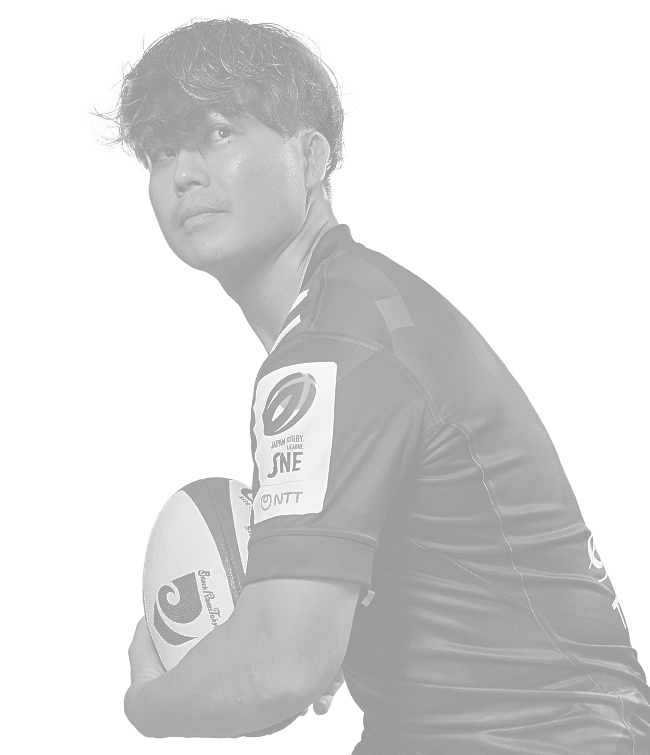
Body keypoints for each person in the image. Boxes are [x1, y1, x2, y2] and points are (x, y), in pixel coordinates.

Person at [91, 14, 650, 753]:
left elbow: (281, 667)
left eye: (218, 133)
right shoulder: (352, 310)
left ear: (310, 156)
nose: (184, 174)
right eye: (163, 152)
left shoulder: (333, 348)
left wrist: (149, 703)